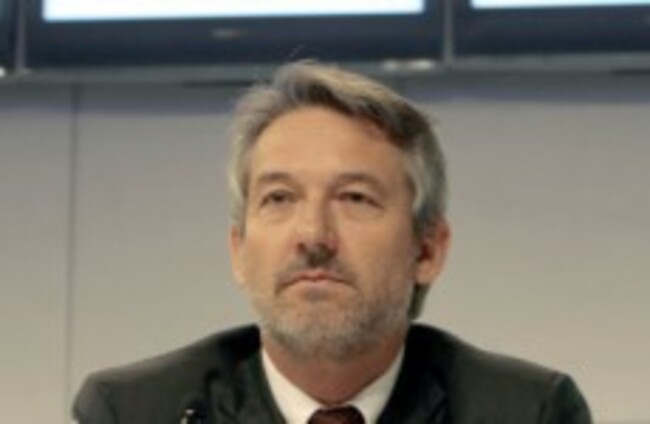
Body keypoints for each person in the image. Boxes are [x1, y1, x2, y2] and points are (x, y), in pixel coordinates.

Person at [73, 62, 592, 424]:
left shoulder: (527, 413)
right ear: (239, 249)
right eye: (279, 198)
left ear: (427, 249)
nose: (313, 236)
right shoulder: (133, 413)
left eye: (355, 198)